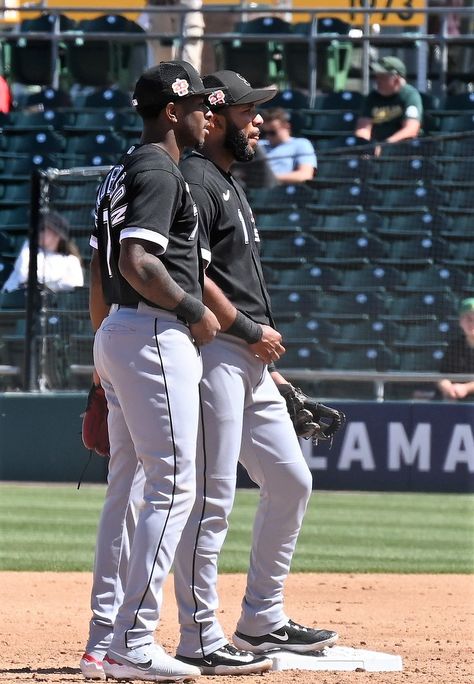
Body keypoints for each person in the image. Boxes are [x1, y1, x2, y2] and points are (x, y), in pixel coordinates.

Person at [173, 69, 338, 675]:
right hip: (216, 349)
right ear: (212, 117)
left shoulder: (226, 181)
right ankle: (199, 633)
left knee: (291, 481)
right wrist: (246, 331)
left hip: (250, 359)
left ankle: (262, 619)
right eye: (247, 113)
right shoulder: (192, 177)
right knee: (211, 495)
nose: (258, 121)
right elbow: (188, 269)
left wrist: (269, 366)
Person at [80, 60, 221, 683]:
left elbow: (99, 271)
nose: (206, 117)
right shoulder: (161, 169)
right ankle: (133, 643)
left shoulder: (121, 170)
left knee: (128, 489)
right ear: (172, 111)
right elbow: (140, 262)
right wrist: (195, 311)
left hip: (119, 331)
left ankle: (102, 638)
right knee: (172, 487)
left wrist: (100, 354)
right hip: (154, 333)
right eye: (198, 107)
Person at [2, 211, 84, 293]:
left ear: (57, 234)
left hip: (48, 304)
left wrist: (45, 283)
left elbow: (74, 287)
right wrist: (54, 279)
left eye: (42, 229)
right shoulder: (29, 248)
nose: (38, 231)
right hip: (15, 300)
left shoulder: (71, 261)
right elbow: (23, 275)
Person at [354, 56, 423, 146]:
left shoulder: (410, 95)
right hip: (375, 147)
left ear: (397, 79)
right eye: (377, 76)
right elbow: (363, 128)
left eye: (382, 77)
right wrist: (365, 147)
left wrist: (386, 145)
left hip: (403, 149)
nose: (377, 80)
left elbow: (411, 129)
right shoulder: (372, 97)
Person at [139, 0, 204, 73]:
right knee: (162, 59)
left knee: (190, 51)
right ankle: (164, 81)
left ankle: (190, 82)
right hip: (159, 6)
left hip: (189, 6)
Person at [258, 107, 317, 183]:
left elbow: (306, 175)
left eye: (272, 132)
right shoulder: (259, 145)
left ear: (286, 126)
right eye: (265, 133)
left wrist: (268, 178)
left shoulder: (301, 144)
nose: (267, 136)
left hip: (282, 190)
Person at [437, 298, 474, 401]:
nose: (471, 323)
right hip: (455, 400)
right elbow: (443, 374)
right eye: (468, 319)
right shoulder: (455, 346)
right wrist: (447, 388)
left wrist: (466, 388)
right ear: (460, 322)